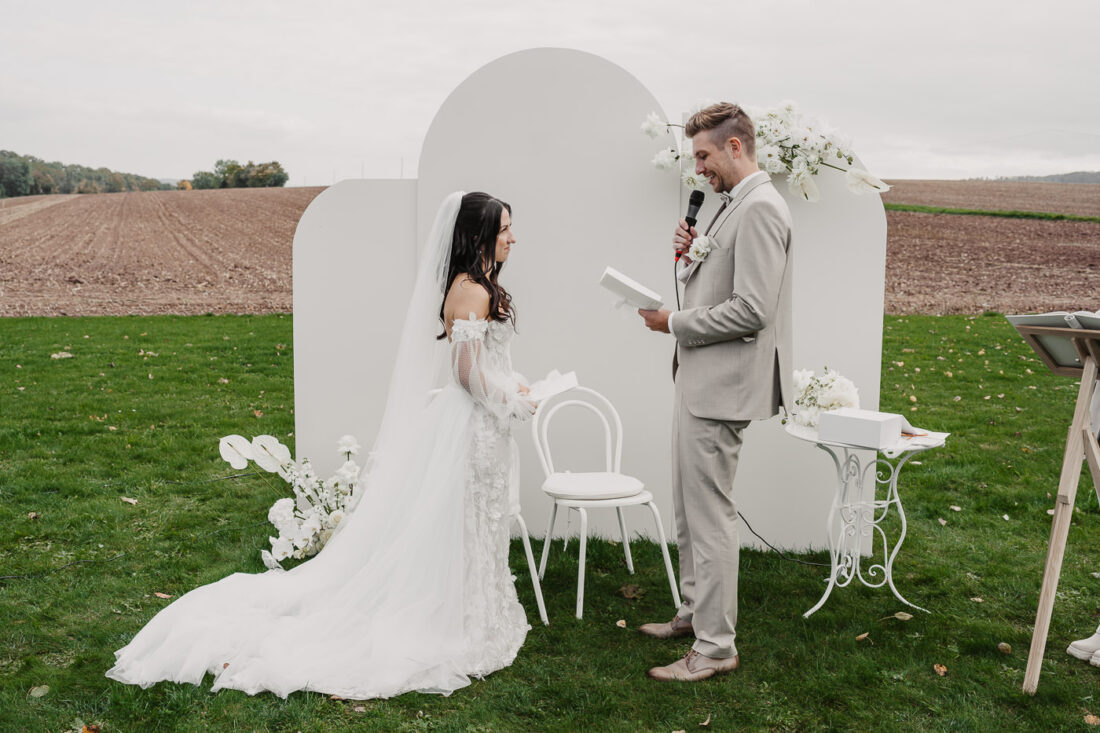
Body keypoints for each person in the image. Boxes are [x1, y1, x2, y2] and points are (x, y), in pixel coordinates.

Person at [107, 191, 537, 699]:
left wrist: (513, 386)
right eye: (504, 228)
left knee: (474, 522)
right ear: (479, 235)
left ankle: (474, 612)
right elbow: (466, 375)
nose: (513, 237)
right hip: (470, 428)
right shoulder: (471, 290)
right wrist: (509, 397)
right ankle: (457, 622)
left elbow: (481, 364)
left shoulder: (477, 285)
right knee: (465, 521)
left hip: (480, 427)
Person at [637, 102, 793, 682]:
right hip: (700, 381)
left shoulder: (760, 208)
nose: (698, 167)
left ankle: (716, 647)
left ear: (735, 146)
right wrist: (689, 255)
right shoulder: (732, 207)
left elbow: (753, 309)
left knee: (710, 517)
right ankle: (692, 613)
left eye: (703, 155)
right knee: (688, 506)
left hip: (722, 386)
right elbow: (718, 286)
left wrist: (672, 324)